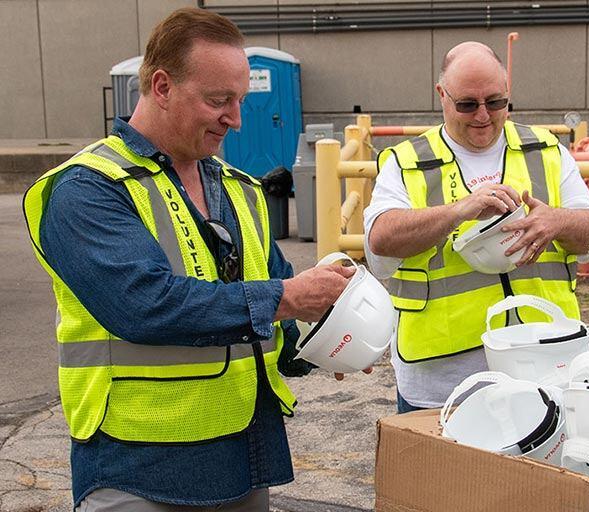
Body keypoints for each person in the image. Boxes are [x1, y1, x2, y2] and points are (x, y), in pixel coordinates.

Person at [23, 8, 354, 511]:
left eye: (240, 100)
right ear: (161, 86)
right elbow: (144, 305)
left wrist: (328, 341)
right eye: (219, 100)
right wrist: (287, 299)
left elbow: (274, 306)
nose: (236, 119)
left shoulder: (239, 189)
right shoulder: (87, 190)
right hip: (137, 470)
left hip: (244, 460)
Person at [363, 41, 589, 413]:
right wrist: (458, 211)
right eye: (467, 104)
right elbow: (381, 239)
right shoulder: (407, 162)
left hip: (544, 367)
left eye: (496, 102)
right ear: (441, 95)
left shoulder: (545, 149)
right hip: (443, 380)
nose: (483, 115)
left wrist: (556, 221)